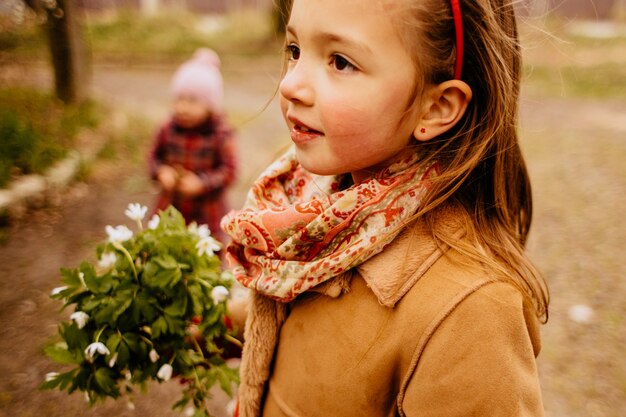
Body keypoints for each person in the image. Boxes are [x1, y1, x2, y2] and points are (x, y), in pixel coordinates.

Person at [221, 0, 550, 415]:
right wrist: (186, 326)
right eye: (294, 49)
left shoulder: (470, 312)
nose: (290, 85)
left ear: (436, 107)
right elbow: (293, 325)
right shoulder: (315, 213)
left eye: (340, 62)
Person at [148, 48, 237, 243]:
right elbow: (153, 158)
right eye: (179, 99)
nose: (183, 107)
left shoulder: (220, 134)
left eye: (193, 101)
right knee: (164, 253)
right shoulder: (167, 129)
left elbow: (229, 172)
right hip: (170, 208)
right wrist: (161, 171)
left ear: (211, 105)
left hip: (207, 215)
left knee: (205, 259)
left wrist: (202, 183)